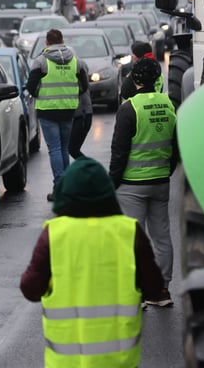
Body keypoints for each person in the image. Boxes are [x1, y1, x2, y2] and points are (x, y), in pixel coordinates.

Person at [20, 156, 165, 367]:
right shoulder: (129, 232)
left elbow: (30, 289)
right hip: (118, 362)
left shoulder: (54, 235)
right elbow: (154, 288)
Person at [109, 56, 178, 307]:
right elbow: (175, 146)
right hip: (160, 181)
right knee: (162, 237)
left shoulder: (129, 109)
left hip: (132, 185)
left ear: (134, 80)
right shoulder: (169, 104)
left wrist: (111, 184)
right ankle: (161, 290)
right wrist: (166, 172)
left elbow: (119, 153)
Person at [26, 28, 89, 202]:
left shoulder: (41, 61)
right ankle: (66, 186)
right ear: (62, 40)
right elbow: (84, 85)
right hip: (68, 109)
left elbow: (30, 86)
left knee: (54, 148)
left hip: (47, 110)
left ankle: (59, 187)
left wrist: (41, 93)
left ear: (46, 43)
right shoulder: (75, 61)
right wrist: (71, 94)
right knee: (63, 147)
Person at [68, 58, 92, 160]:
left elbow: (83, 88)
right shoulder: (80, 65)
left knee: (73, 148)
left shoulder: (78, 70)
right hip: (82, 114)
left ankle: (91, 169)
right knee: (72, 148)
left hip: (82, 114)